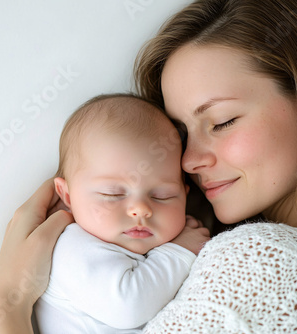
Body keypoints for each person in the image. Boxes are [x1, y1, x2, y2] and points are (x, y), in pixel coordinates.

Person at [0, 0, 297, 333]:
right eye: (183, 134)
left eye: (222, 121)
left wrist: (6, 310)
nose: (188, 161)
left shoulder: (265, 262)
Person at [32, 93, 210, 333]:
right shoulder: (71, 246)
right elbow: (128, 307)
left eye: (162, 195)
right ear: (67, 196)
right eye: (112, 194)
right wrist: (178, 252)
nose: (141, 209)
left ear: (185, 197)